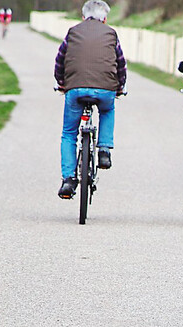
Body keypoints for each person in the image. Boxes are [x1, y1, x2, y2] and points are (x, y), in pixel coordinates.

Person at [54, 0, 126, 199]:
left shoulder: (73, 32)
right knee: (107, 109)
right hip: (105, 89)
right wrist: (120, 86)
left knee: (69, 133)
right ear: (104, 19)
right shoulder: (111, 33)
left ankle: (68, 179)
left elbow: (60, 59)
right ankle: (104, 149)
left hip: (75, 89)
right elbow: (120, 63)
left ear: (83, 16)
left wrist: (61, 82)